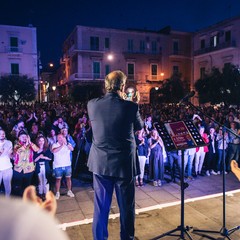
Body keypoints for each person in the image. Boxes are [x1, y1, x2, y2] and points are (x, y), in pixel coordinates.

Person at [87, 70, 143, 240]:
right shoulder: (131, 106)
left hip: (100, 163)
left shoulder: (92, 104)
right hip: (123, 165)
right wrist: (131, 102)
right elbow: (139, 127)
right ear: (123, 86)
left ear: (106, 86)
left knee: (101, 208)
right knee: (126, 208)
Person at [12, 130, 39, 196]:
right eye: (22, 136)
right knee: (17, 187)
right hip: (18, 170)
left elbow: (37, 150)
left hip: (28, 170)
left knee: (27, 187)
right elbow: (18, 151)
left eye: (25, 136)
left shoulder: (30, 145)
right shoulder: (16, 145)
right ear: (19, 138)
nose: (24, 138)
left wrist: (30, 142)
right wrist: (26, 144)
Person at [51, 133, 75, 200]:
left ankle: (69, 191)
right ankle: (57, 192)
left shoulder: (68, 144)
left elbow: (72, 149)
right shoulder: (54, 145)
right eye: (59, 138)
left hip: (67, 165)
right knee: (58, 180)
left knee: (68, 179)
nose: (60, 139)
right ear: (57, 138)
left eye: (62, 137)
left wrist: (66, 144)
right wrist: (62, 145)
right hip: (58, 166)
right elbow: (54, 151)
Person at [34, 136, 53, 200]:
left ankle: (46, 193)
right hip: (38, 166)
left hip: (45, 166)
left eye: (43, 140)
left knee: (45, 180)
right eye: (40, 141)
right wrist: (39, 156)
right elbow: (34, 160)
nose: (41, 142)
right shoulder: (35, 149)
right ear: (38, 141)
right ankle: (40, 193)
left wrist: (43, 157)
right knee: (39, 180)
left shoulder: (47, 149)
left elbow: (50, 158)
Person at [0, 129, 13, 196]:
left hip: (7, 168)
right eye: (0, 133)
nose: (2, 135)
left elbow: (10, 156)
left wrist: (9, 153)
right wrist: (4, 151)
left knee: (7, 187)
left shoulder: (9, 142)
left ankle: (8, 201)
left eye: (3, 133)